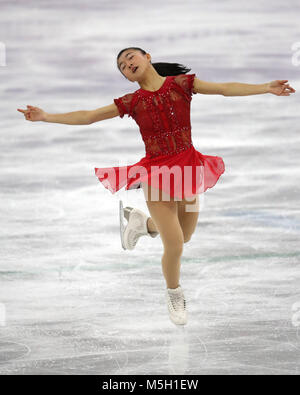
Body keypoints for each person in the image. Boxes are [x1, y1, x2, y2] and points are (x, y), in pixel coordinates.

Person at [17, 47, 296, 327]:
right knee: (174, 245)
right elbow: (89, 116)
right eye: (123, 66)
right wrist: (46, 116)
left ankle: (142, 224)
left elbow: (224, 88)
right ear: (126, 77)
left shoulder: (182, 85)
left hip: (188, 169)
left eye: (131, 58)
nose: (128, 64)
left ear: (147, 57)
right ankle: (174, 293)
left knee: (184, 236)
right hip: (157, 173)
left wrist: (265, 87)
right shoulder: (132, 101)